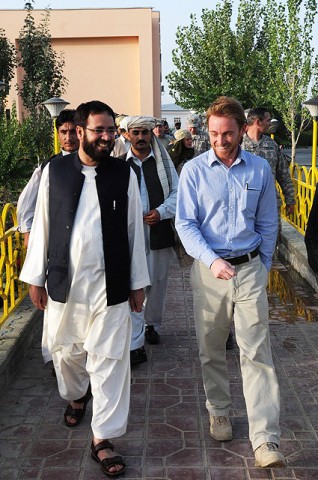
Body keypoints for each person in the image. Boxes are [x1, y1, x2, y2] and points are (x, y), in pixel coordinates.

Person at [20, 100, 150, 477]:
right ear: (80, 132)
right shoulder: (53, 172)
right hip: (64, 285)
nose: (108, 137)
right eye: (100, 131)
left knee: (110, 362)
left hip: (110, 287)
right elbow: (42, 225)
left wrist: (138, 283)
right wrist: (35, 277)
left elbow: (133, 230)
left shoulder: (124, 174)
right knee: (66, 354)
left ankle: (103, 439)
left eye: (111, 130)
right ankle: (76, 395)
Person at [176, 96, 285, 469]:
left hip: (250, 268)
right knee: (211, 349)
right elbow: (185, 224)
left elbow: (269, 222)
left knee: (257, 353)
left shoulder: (259, 171)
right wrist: (212, 260)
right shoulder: (193, 171)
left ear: (241, 131)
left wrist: (263, 265)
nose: (220, 140)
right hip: (209, 273)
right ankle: (219, 410)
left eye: (227, 133)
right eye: (214, 133)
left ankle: (265, 437)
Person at [119, 116, 178, 364]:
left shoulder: (162, 164)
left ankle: (151, 324)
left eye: (145, 133)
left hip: (158, 232)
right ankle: (136, 340)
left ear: (151, 135)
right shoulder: (120, 165)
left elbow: (178, 193)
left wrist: (161, 212)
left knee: (156, 284)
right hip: (130, 235)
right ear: (128, 135)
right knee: (135, 285)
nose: (141, 137)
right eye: (136, 133)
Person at [17, 109, 79, 248]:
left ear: (81, 132)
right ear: (58, 134)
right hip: (56, 236)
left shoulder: (92, 163)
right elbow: (27, 201)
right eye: (63, 132)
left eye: (73, 132)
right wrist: (28, 232)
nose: (68, 138)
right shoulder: (48, 166)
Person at [242, 107, 295, 234]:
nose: (270, 123)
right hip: (245, 205)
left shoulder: (271, 144)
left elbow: (283, 174)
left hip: (270, 204)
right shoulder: (238, 144)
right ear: (257, 122)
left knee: (271, 241)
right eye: (267, 120)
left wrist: (290, 199)